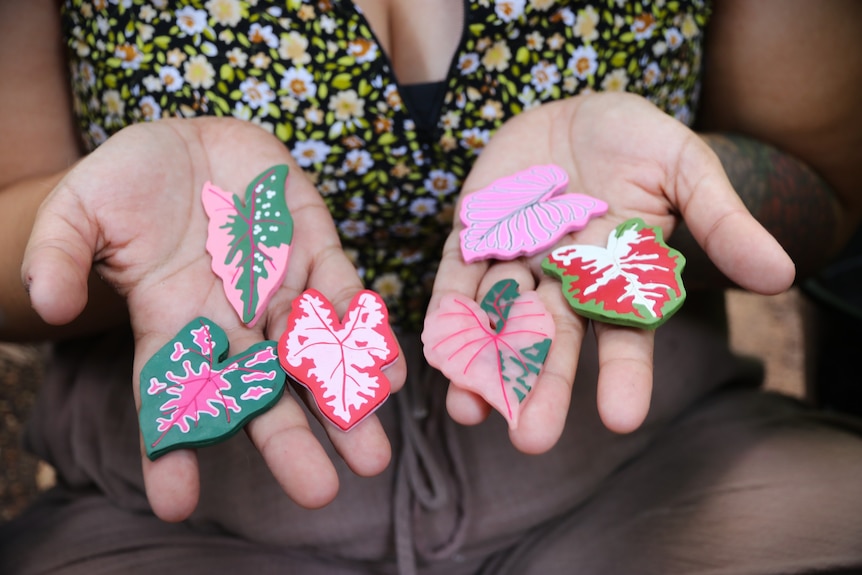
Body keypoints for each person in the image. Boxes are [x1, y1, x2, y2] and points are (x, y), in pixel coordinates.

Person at [1, 0, 861, 573]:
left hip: (664, 461)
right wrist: (104, 231)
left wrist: (684, 186)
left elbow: (823, 196)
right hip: (177, 520)